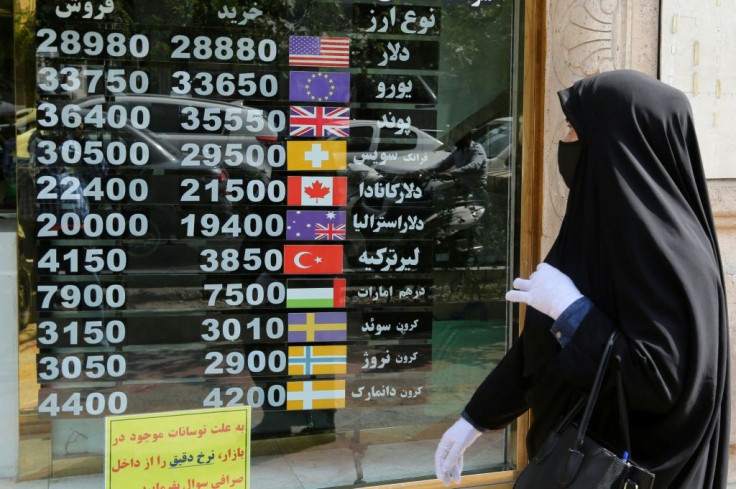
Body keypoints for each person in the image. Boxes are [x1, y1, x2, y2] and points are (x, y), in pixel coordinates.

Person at [434, 70, 729, 489]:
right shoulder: (597, 227)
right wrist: (476, 418)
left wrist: (572, 311)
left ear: (616, 141)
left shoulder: (667, 249)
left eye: (574, 129)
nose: (566, 141)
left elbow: (660, 381)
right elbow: (541, 344)